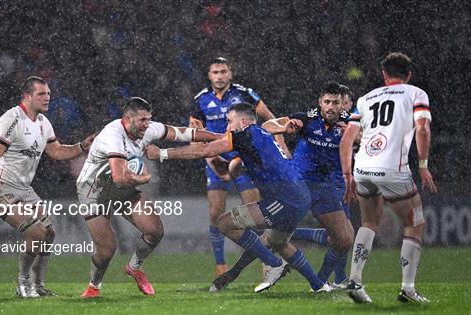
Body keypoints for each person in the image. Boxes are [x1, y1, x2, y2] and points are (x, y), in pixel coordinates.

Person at [148, 103, 331, 293]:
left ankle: (273, 263)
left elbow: (205, 151)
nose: (227, 127)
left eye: (229, 121)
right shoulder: (259, 134)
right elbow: (231, 163)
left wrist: (161, 153)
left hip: (285, 199)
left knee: (224, 223)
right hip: (298, 195)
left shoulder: (246, 135)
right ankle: (319, 286)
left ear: (243, 122)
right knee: (279, 242)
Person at [210, 82, 355, 292]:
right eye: (328, 102)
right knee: (271, 239)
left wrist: (354, 136)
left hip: (327, 187)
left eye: (338, 103)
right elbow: (266, 127)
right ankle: (233, 273)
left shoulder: (350, 125)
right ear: (321, 103)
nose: (332, 107)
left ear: (344, 105)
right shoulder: (307, 118)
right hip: (299, 183)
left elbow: (370, 142)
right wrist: (284, 126)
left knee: (343, 239)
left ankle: (322, 282)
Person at [77, 97, 221, 298]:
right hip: (94, 193)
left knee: (155, 231)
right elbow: (119, 177)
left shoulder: (147, 128)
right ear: (127, 119)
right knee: (107, 250)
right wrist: (142, 178)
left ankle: (134, 267)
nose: (147, 125)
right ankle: (94, 285)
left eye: (148, 119)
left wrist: (218, 136)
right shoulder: (113, 135)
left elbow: (181, 132)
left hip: (121, 190)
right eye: (142, 120)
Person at [0, 76, 95, 297]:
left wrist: (82, 146)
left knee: (49, 233)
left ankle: (38, 285)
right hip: (3, 186)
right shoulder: (11, 119)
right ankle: (23, 284)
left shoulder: (43, 122)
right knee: (35, 231)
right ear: (27, 97)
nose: (47, 98)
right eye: (41, 94)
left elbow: (56, 151)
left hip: (25, 189)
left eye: (49, 94)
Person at [340, 52, 437, 303]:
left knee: (368, 222)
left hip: (363, 168)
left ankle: (355, 280)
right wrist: (424, 165)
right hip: (393, 169)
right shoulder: (416, 93)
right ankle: (407, 288)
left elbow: (347, 139)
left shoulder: (365, 98)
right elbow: (423, 127)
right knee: (415, 223)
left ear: (384, 75)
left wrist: (348, 174)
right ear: (409, 74)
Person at [189, 57, 286, 277]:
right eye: (215, 72)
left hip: (243, 160)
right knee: (215, 213)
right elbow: (194, 137)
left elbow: (271, 119)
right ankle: (220, 265)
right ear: (209, 75)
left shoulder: (244, 93)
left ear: (230, 73)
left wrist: (281, 147)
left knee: (255, 211)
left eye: (223, 71)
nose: (220, 76)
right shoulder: (200, 100)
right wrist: (213, 163)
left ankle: (267, 263)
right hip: (216, 160)